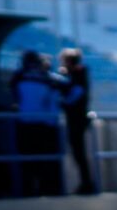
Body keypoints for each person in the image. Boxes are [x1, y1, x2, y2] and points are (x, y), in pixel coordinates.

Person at [10, 50, 68, 196]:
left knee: (28, 162)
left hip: (25, 123)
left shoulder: (19, 76)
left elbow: (14, 96)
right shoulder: (47, 77)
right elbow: (64, 87)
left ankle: (28, 192)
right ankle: (48, 191)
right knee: (46, 162)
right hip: (44, 124)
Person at [59, 48, 97, 194]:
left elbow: (76, 94)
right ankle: (85, 182)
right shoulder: (74, 74)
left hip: (77, 118)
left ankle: (87, 183)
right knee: (78, 152)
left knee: (79, 152)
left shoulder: (78, 73)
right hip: (75, 118)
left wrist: (63, 102)